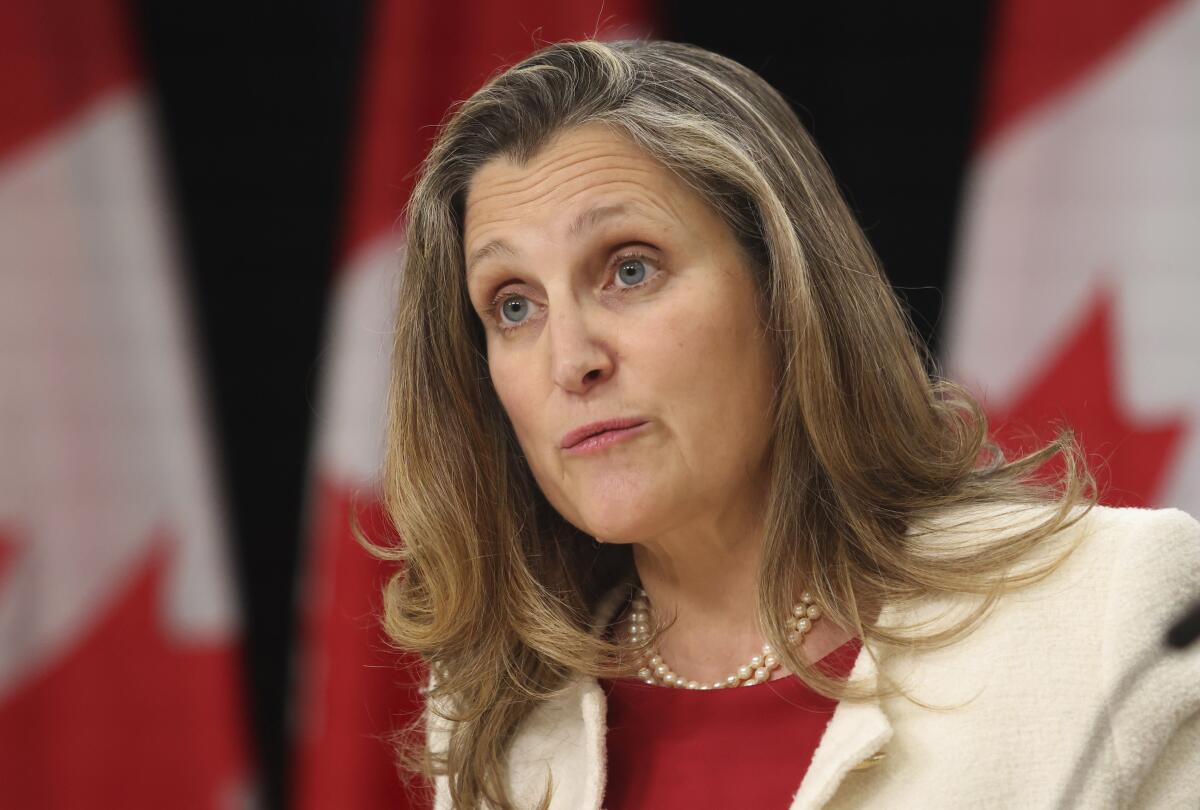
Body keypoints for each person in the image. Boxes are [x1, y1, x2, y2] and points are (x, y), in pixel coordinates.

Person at [362, 38, 1200, 809]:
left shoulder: (1105, 617)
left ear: (785, 293)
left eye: (628, 269)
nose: (568, 358)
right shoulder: (496, 720)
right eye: (513, 306)